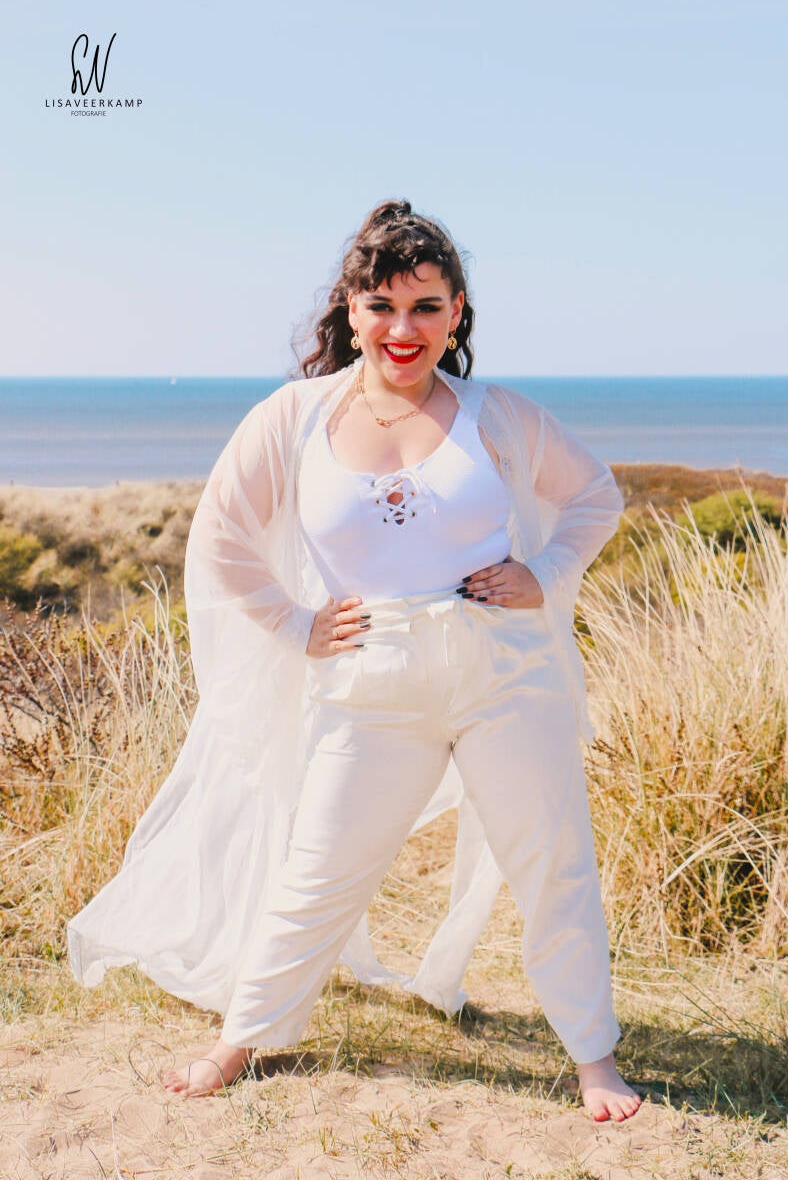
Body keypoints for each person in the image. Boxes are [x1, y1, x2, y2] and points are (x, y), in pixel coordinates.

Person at [67, 198, 641, 1122]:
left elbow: (595, 496)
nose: (402, 329)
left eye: (425, 307)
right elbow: (221, 536)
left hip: (503, 674)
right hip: (370, 685)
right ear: (350, 307)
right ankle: (241, 1038)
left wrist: (544, 574)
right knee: (318, 869)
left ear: (456, 312)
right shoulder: (294, 417)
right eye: (382, 306)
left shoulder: (498, 415)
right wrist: (294, 625)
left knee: (553, 859)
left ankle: (594, 1060)